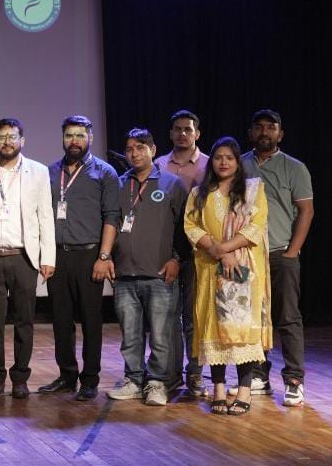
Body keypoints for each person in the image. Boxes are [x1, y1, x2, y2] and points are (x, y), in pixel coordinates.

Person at [184, 136, 271, 416]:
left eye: (229, 158)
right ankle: (219, 389)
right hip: (210, 268)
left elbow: (256, 226)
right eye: (218, 157)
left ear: (237, 162)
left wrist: (226, 248)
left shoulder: (253, 190)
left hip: (244, 271)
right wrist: (218, 251)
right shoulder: (199, 193)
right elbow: (191, 226)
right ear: (212, 161)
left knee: (241, 329)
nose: (223, 162)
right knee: (213, 328)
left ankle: (244, 390)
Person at [106, 128, 189, 406]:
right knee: (130, 334)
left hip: (159, 274)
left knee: (161, 335)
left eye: (141, 147)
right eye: (129, 149)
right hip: (124, 275)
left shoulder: (172, 184)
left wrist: (177, 259)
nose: (134, 153)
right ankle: (133, 379)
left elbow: (184, 229)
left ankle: (157, 383)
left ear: (153, 150)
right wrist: (107, 257)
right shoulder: (119, 184)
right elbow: (111, 223)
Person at [0, 118, 55, 399]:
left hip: (24, 257)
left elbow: (45, 215)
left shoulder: (38, 171)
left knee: (24, 321)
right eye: (2, 137)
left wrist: (48, 256)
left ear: (23, 140)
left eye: (12, 136)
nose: (7, 142)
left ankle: (20, 378)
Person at [41, 115, 120, 401]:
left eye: (79, 135)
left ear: (90, 138)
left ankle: (90, 379)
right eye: (69, 136)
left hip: (90, 255)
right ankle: (66, 376)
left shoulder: (105, 172)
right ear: (62, 138)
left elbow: (112, 216)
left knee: (90, 320)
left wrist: (104, 256)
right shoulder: (50, 172)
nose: (74, 141)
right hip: (58, 255)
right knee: (61, 320)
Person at [241, 109, 313, 406]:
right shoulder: (239, 164)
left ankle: (294, 380)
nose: (264, 132)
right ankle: (259, 375)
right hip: (248, 255)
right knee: (254, 318)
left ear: (280, 134)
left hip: (282, 253)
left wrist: (292, 251)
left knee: (287, 317)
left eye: (271, 127)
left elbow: (306, 211)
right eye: (259, 127)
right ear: (251, 133)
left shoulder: (294, 168)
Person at [155, 109, 209, 396]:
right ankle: (171, 372)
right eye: (177, 129)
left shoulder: (210, 165)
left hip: (198, 250)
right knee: (168, 316)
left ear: (197, 133)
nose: (182, 134)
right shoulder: (158, 164)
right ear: (170, 133)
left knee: (194, 316)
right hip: (165, 250)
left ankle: (196, 372)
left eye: (188, 129)